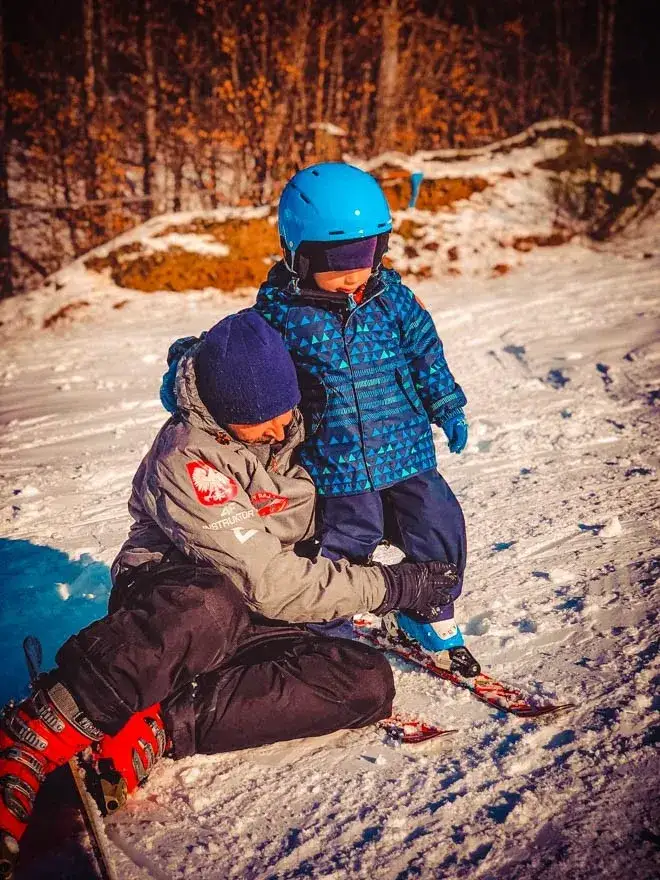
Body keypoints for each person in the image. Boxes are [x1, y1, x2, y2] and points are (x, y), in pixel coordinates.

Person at [0, 312, 460, 876]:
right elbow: (270, 583)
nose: (277, 430)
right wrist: (389, 587)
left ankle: (160, 721)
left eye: (283, 412)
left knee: (363, 681)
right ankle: (33, 733)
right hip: (175, 600)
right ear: (220, 411)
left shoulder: (297, 425)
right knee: (212, 604)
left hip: (257, 609)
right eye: (256, 421)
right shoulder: (185, 457)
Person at [162, 162, 478, 676]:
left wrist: (447, 405)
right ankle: (327, 624)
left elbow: (426, 353)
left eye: (366, 254)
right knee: (348, 541)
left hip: (408, 449)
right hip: (336, 462)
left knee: (439, 526)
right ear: (298, 255)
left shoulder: (393, 300)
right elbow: (232, 353)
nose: (354, 272)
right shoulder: (280, 315)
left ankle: (426, 612)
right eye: (337, 260)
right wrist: (186, 375)